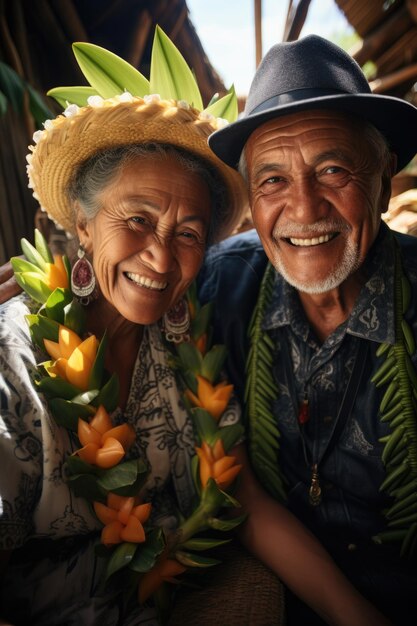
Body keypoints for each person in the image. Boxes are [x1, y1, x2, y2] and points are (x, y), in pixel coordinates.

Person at [0, 36, 392, 626]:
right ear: (82, 224)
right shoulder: (16, 354)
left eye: (188, 233)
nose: (160, 258)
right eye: (136, 219)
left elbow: (244, 497)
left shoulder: (185, 344)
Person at [197, 34, 417, 626]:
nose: (304, 208)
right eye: (272, 180)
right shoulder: (220, 287)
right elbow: (124, 297)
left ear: (385, 177)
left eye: (333, 169)